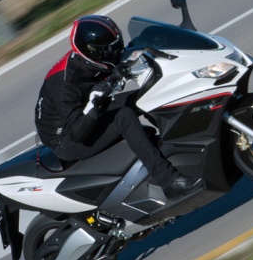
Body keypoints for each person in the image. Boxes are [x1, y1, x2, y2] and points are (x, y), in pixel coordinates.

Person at [35, 14, 203, 200]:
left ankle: (179, 144)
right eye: (112, 49)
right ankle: (168, 181)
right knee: (124, 117)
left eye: (118, 45)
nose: (117, 51)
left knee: (144, 96)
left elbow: (117, 64)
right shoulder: (66, 83)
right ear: (96, 52)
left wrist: (155, 42)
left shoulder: (90, 59)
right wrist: (97, 101)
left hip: (87, 110)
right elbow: (77, 132)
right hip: (66, 138)